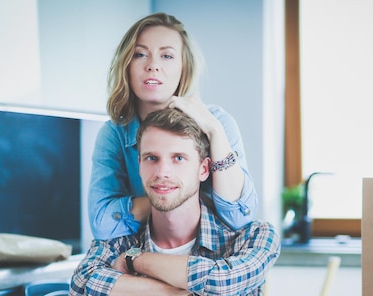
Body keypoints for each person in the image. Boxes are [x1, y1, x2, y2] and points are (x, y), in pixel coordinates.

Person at [70, 108, 280, 296]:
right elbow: (80, 287)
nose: (162, 172)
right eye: (151, 158)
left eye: (178, 158)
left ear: (204, 169)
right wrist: (188, 295)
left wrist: (135, 262)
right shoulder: (118, 239)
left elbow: (221, 281)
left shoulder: (252, 237)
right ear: (139, 166)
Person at [89, 12, 258, 240]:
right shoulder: (113, 134)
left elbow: (239, 216)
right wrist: (173, 195)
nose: (153, 66)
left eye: (166, 56)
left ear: (183, 68)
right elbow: (103, 224)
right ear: (127, 66)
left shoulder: (218, 122)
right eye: (140, 54)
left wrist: (214, 132)